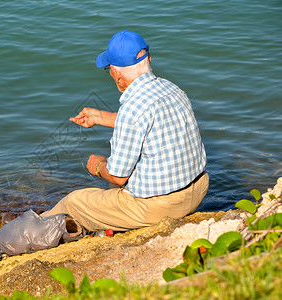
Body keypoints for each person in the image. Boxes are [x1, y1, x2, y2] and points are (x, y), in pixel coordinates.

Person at [41, 30, 209, 232]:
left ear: (116, 74)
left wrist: (98, 166)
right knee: (115, 187)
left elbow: (118, 176)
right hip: (198, 189)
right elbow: (145, 124)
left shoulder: (132, 109)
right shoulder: (172, 89)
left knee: (74, 201)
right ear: (148, 58)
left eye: (109, 71)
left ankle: (31, 228)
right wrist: (99, 117)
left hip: (161, 206)